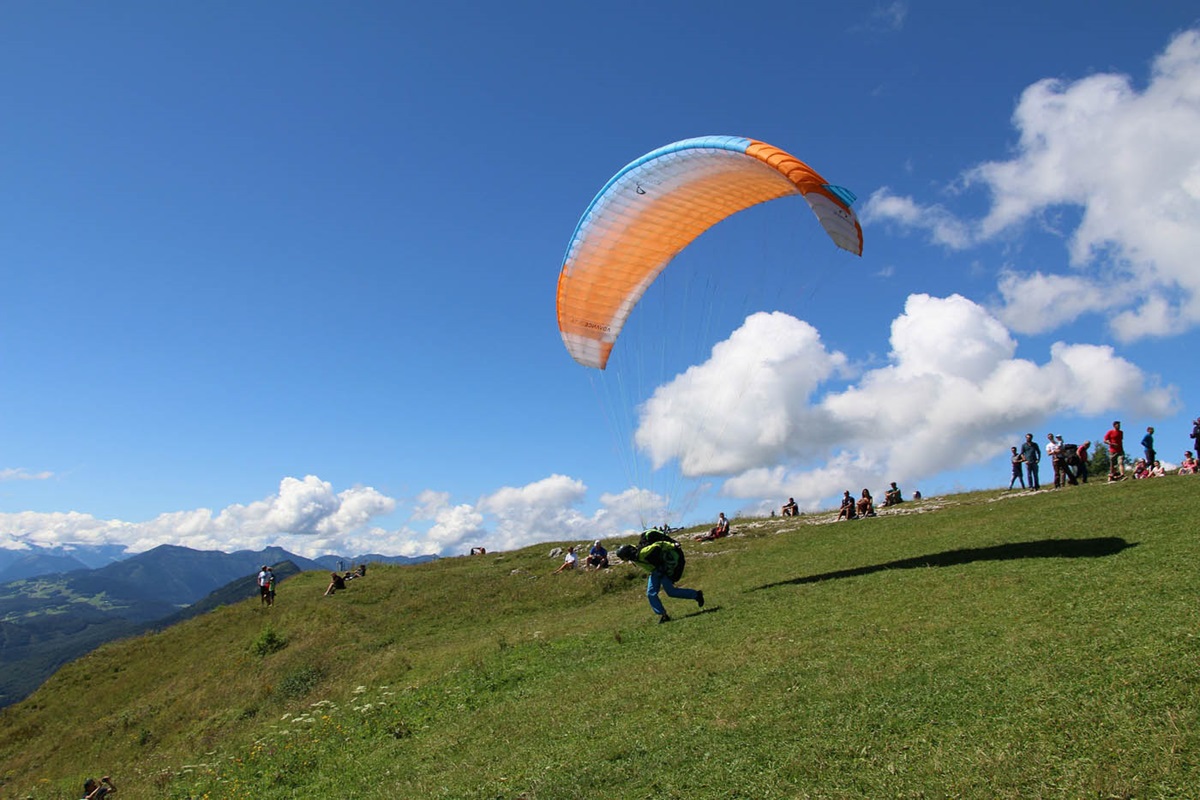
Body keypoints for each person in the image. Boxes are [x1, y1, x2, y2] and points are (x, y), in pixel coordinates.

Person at [615, 541, 703, 624]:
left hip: (662, 571)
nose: (623, 560)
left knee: (671, 592)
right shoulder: (635, 556)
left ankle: (696, 595)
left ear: (627, 554)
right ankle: (663, 615)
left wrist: (672, 545)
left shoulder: (642, 552)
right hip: (654, 573)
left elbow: (658, 544)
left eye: (623, 557)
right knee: (651, 593)